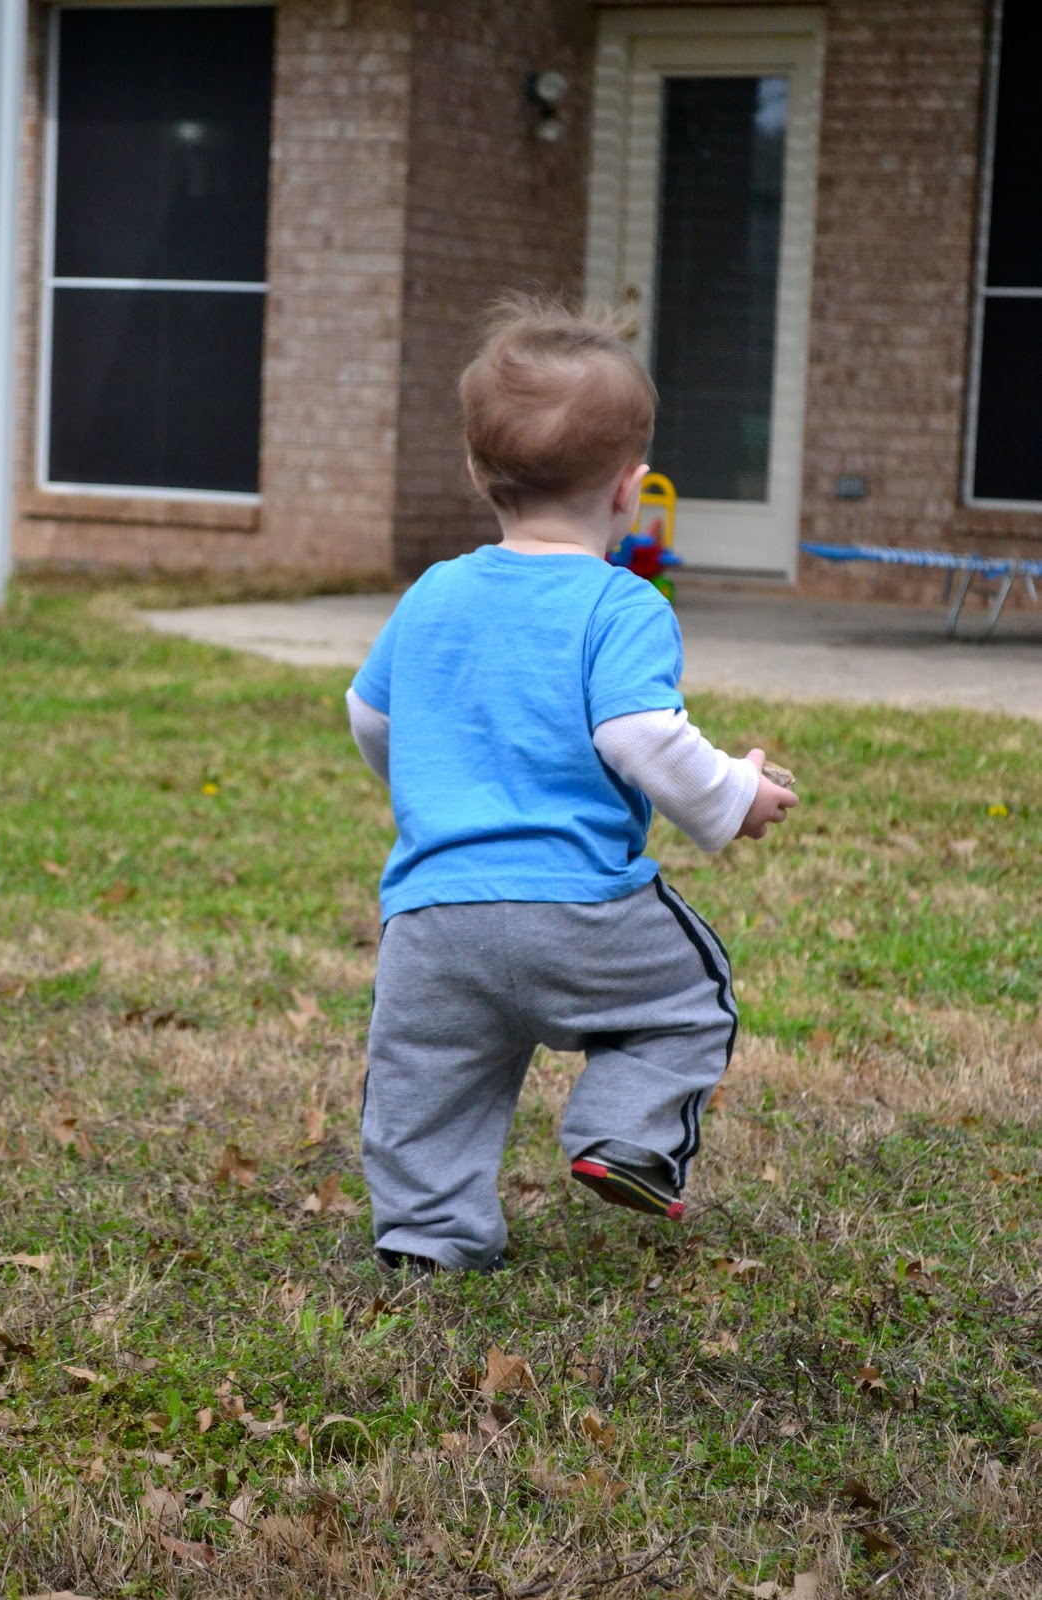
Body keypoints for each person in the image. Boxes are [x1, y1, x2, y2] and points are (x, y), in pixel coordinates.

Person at [346, 297, 798, 1273]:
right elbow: (640, 734)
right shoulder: (618, 603)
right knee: (690, 1003)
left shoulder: (432, 591)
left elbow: (371, 717)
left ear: (477, 473)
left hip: (433, 920)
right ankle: (624, 1136)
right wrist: (733, 795)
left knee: (421, 1081)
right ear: (631, 489)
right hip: (582, 911)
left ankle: (427, 1236)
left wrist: (432, 792)